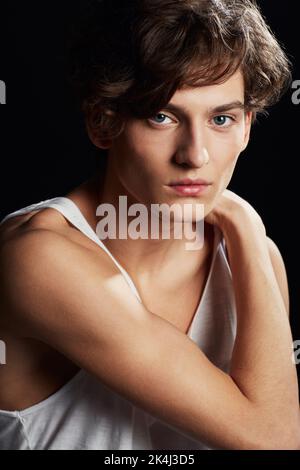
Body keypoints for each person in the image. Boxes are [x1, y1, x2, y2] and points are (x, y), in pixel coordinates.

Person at [0, 0, 299, 450]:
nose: (194, 155)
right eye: (162, 116)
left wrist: (246, 233)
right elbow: (273, 438)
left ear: (246, 129)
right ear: (103, 123)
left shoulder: (252, 256)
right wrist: (243, 217)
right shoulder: (37, 258)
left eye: (221, 119)